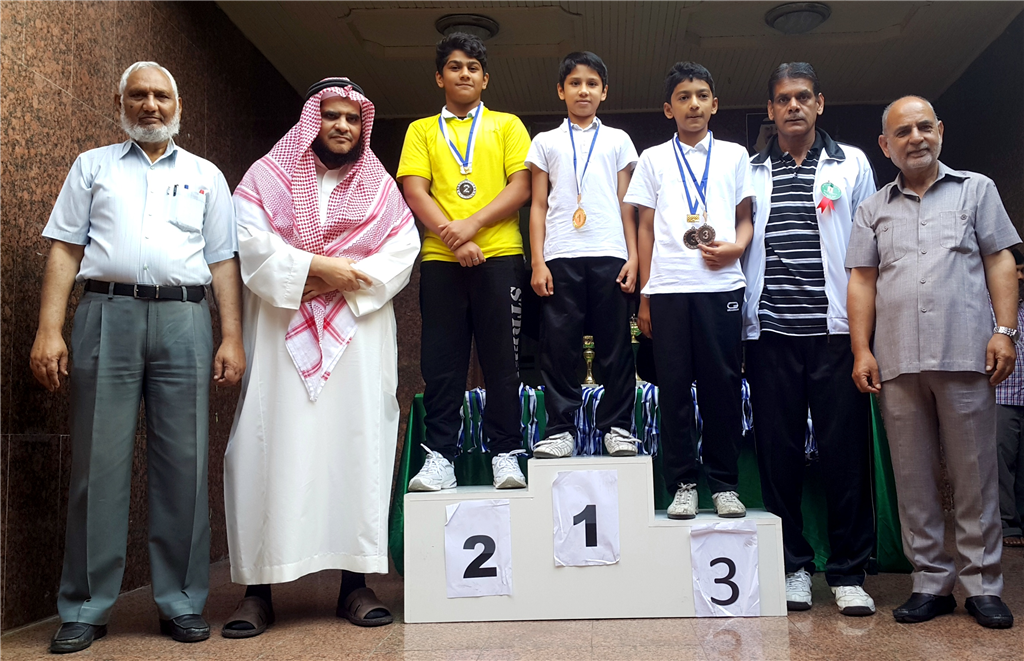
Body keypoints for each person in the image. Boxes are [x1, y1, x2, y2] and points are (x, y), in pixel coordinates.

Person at [29, 61, 244, 653]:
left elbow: (223, 260)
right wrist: (49, 330)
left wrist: (231, 336)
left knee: (185, 465)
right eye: (139, 95)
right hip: (107, 313)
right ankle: (85, 606)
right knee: (96, 466)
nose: (151, 105)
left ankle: (182, 602)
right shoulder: (91, 167)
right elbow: (65, 249)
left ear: (179, 106)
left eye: (161, 96)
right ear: (119, 103)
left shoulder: (206, 175)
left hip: (185, 319)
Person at [222, 78, 418, 636]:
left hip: (357, 338)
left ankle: (355, 586)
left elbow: (402, 251)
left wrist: (332, 278)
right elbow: (250, 242)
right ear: (312, 119)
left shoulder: (380, 188)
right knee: (269, 445)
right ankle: (258, 591)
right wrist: (316, 267)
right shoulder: (266, 178)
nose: (342, 126)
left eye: (352, 119)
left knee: (357, 445)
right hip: (279, 331)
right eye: (331, 116)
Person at [847, 96, 1020, 629]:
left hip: (966, 354)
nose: (916, 138)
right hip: (897, 361)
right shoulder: (872, 209)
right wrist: (861, 349)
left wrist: (1005, 331)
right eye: (903, 132)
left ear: (940, 131)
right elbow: (862, 281)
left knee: (975, 476)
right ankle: (930, 583)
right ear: (886, 145)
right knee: (913, 479)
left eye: (925, 127)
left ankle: (983, 585)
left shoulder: (977, 189)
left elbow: (1000, 260)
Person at [741, 63, 877, 616]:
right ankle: (793, 567)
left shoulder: (852, 163)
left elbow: (869, 249)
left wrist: (867, 336)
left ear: (819, 102)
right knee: (779, 456)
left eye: (802, 97)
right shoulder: (749, 169)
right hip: (770, 333)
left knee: (845, 455)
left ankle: (847, 573)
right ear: (771, 111)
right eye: (782, 99)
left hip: (835, 333)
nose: (793, 106)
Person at [398, 32, 532, 491]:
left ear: (485, 78)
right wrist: (454, 240)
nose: (464, 74)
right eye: (455, 67)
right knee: (442, 363)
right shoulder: (421, 130)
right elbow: (415, 190)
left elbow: (521, 186)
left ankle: (506, 454)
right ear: (440, 77)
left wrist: (471, 226)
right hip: (442, 259)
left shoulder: (507, 126)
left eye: (473, 68)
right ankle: (439, 457)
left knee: (503, 363)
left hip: (500, 256)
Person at [626, 62, 754, 520]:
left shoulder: (735, 155)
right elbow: (645, 227)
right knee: (675, 390)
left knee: (723, 386)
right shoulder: (653, 158)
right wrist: (644, 295)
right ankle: (682, 483)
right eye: (683, 97)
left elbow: (745, 217)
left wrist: (736, 249)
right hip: (668, 289)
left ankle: (724, 484)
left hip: (721, 285)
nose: (693, 104)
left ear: (714, 104)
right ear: (669, 108)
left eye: (701, 96)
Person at [526, 51, 640, 459]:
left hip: (610, 252)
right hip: (560, 254)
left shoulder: (618, 140)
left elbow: (627, 203)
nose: (583, 91)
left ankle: (618, 428)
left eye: (592, 84)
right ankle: (560, 429)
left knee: (615, 345)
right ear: (561, 90)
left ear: (604, 91)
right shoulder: (545, 141)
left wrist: (633, 257)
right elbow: (538, 205)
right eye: (575, 83)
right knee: (559, 346)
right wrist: (537, 261)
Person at [995, 249, 1024, 548]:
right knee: (1001, 465)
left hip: (1023, 395)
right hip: (1000, 396)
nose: (1020, 276)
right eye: (1017, 269)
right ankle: (1007, 525)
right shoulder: (988, 309)